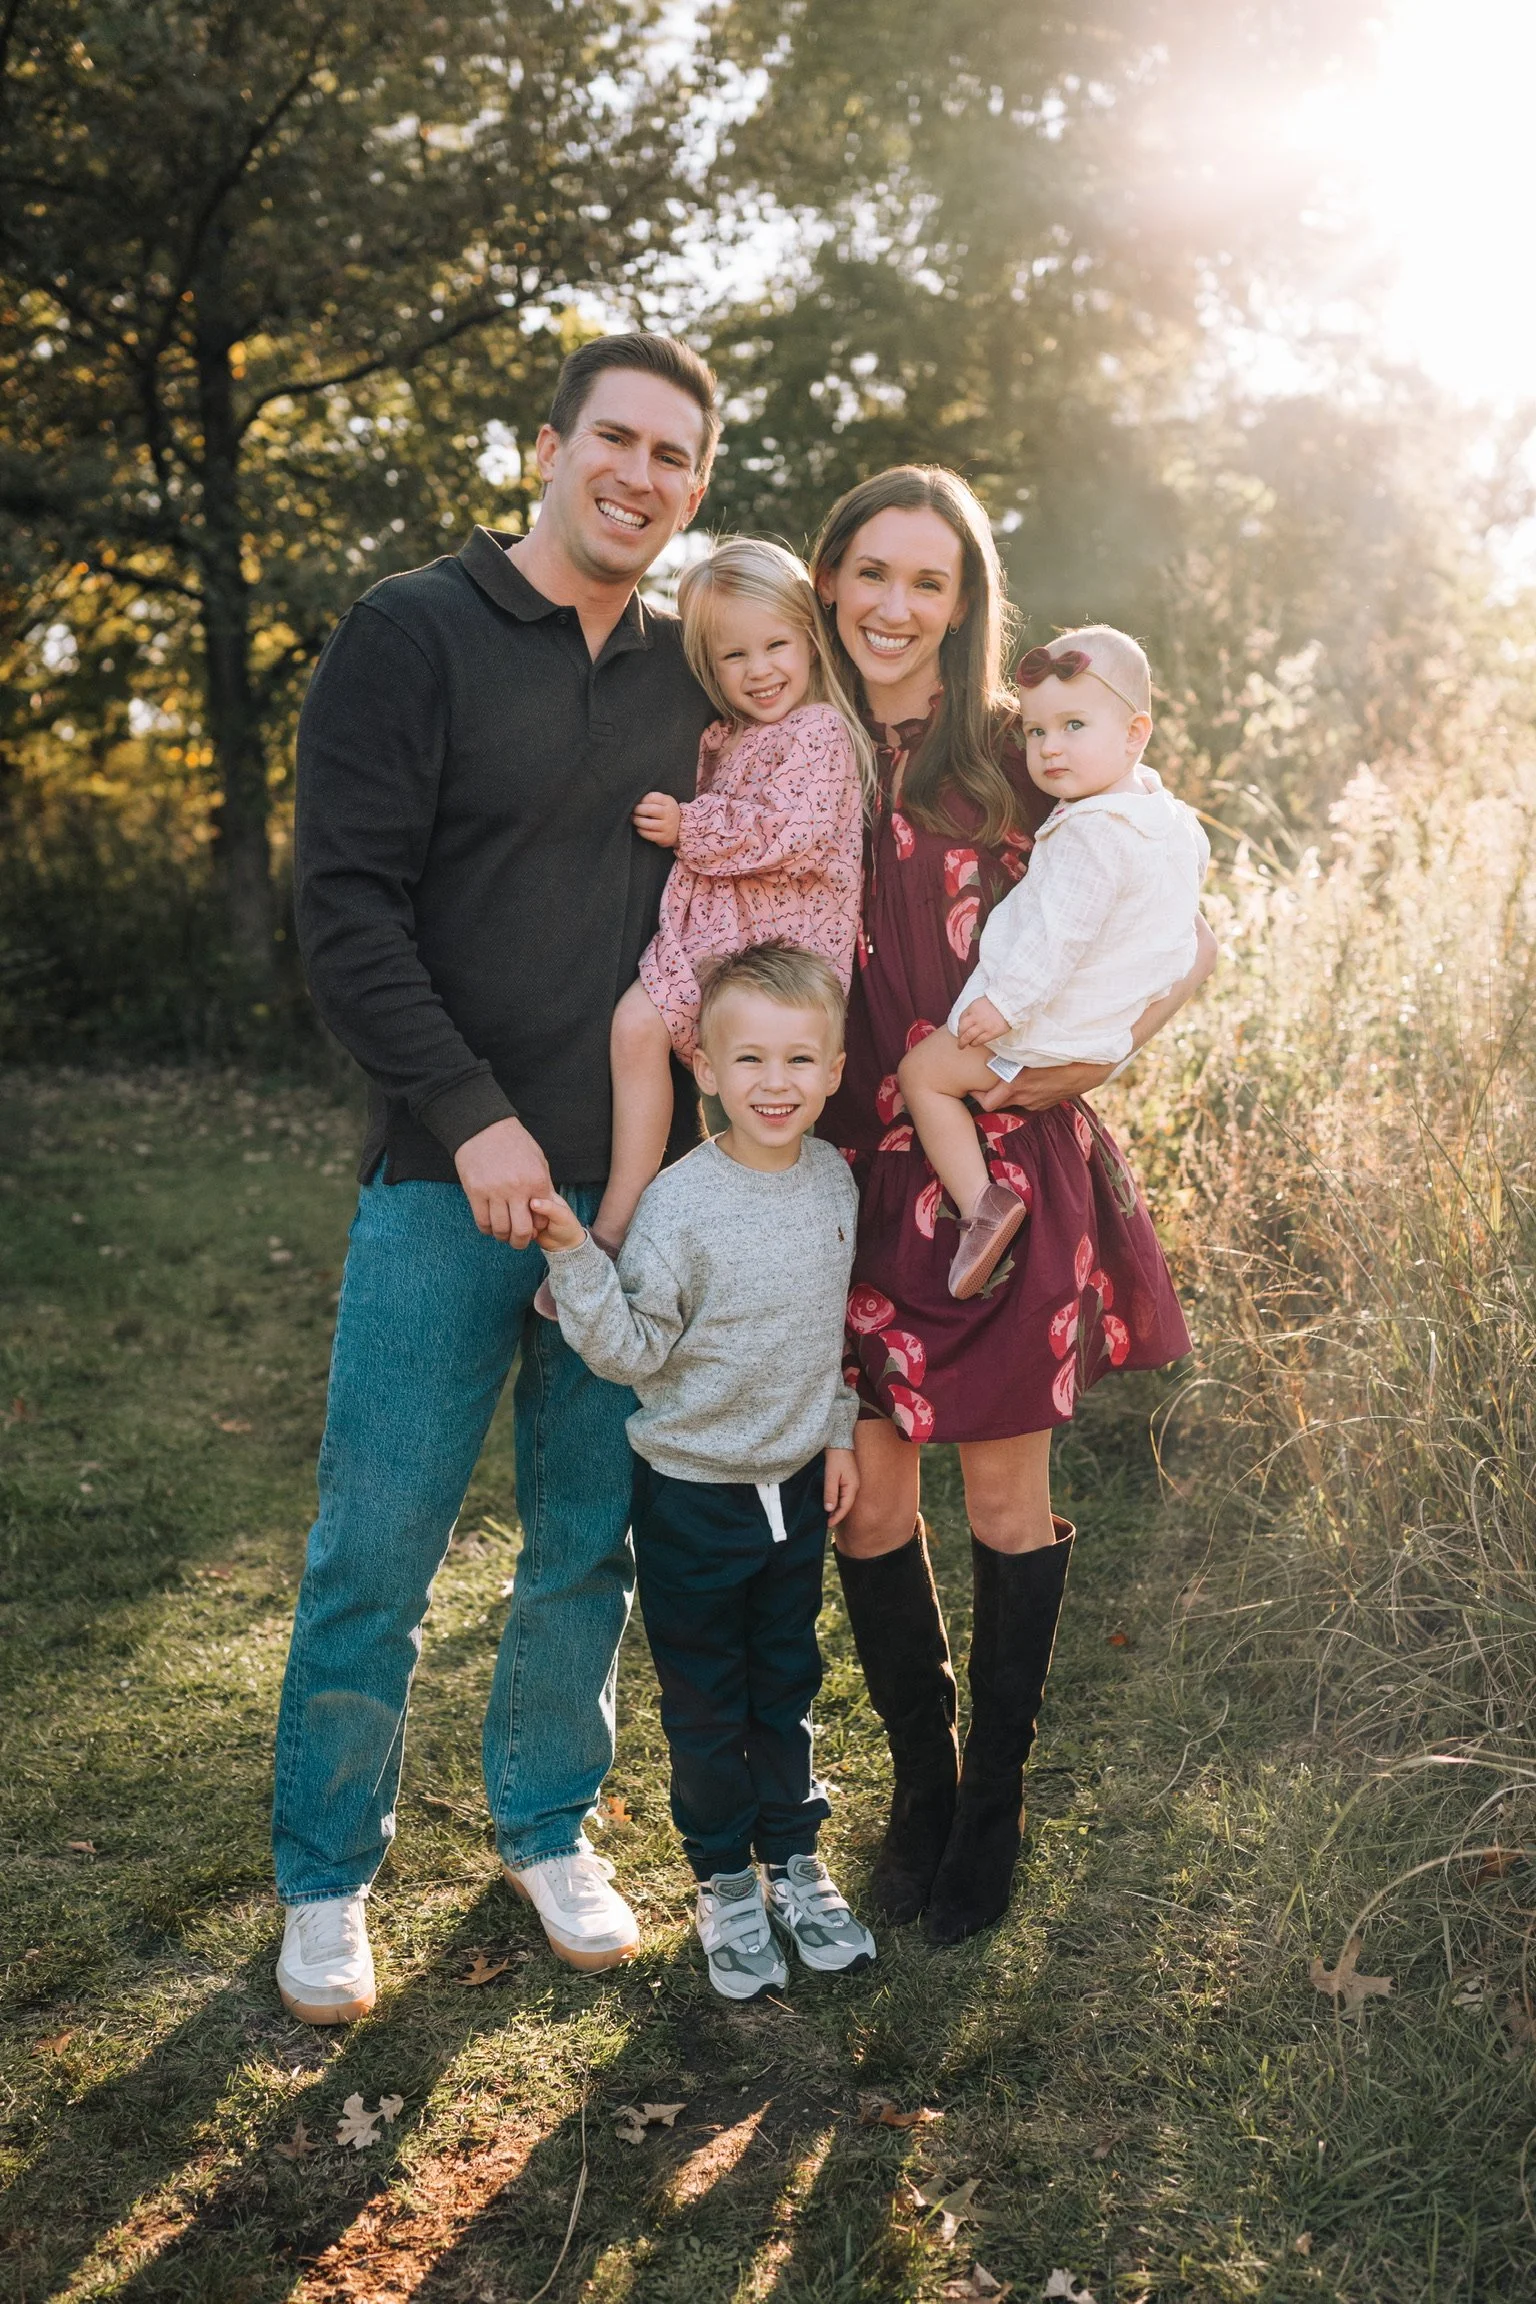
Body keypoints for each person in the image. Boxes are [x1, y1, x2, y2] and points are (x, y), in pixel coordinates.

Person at [271, 332, 721, 2024]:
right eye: (616, 437)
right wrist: (470, 1115)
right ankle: (326, 1871)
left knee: (585, 1540)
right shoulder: (413, 631)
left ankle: (547, 1826)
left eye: (675, 456)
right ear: (550, 445)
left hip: (636, 1206)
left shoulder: (701, 672)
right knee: (374, 1546)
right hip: (439, 1178)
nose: (640, 474)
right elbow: (348, 909)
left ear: (694, 487)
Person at [812, 466, 1217, 1949]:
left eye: (930, 580)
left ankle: (995, 1800)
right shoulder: (790, 741)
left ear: (967, 600)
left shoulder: (1018, 753)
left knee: (1002, 1495)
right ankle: (918, 1789)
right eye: (871, 571)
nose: (895, 606)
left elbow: (1186, 934)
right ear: (832, 577)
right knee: (867, 1506)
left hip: (996, 1162)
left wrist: (1101, 1053)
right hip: (841, 1170)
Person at [532, 942, 877, 2001]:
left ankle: (797, 1868)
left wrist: (840, 1431)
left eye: (799, 1061)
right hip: (692, 1496)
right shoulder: (681, 1204)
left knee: (788, 1687)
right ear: (709, 1072)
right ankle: (727, 1882)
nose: (776, 1084)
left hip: (796, 1495)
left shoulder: (834, 1179)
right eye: (752, 1061)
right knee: (709, 1704)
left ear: (831, 1070)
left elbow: (829, 1334)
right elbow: (630, 1350)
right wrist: (571, 1257)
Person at [534, 537, 869, 1315]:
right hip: (711, 949)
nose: (759, 670)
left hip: (778, 968)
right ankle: (617, 1227)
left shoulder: (818, 733)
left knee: (759, 1111)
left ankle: (749, 1276)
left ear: (809, 639)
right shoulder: (724, 737)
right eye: (732, 656)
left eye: (776, 645)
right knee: (634, 1029)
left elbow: (790, 830)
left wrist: (690, 824)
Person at [899, 625, 1210, 1299]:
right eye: (1036, 732)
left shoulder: (1090, 833)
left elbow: (1057, 935)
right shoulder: (1169, 818)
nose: (1050, 747)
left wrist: (1003, 1004)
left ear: (1135, 734)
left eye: (1073, 725)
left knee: (922, 1075)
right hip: (1100, 1022)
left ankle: (983, 1206)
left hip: (1042, 1021)